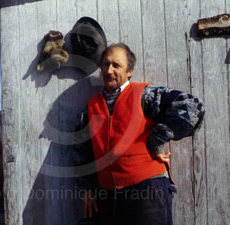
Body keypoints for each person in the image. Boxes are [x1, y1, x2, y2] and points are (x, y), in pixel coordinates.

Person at [74, 43, 205, 225]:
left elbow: (193, 105)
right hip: (106, 196)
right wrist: (86, 188)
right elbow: (82, 151)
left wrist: (157, 139)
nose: (109, 70)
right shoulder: (91, 107)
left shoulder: (145, 94)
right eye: (105, 64)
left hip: (147, 191)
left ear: (130, 71)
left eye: (116, 65)